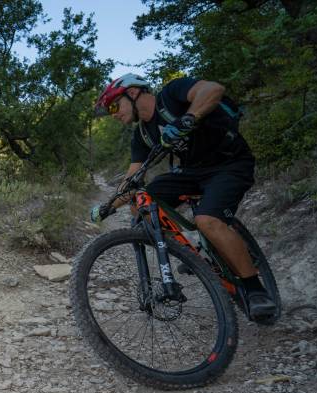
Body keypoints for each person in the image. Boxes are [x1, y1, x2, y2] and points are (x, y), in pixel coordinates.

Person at [90, 73, 277, 320]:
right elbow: (133, 177)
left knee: (207, 220)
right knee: (142, 203)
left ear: (133, 93)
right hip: (192, 172)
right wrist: (109, 206)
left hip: (229, 165)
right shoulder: (142, 134)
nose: (113, 113)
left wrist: (188, 118)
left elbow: (213, 87)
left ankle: (256, 290)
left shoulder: (172, 94)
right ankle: (189, 251)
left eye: (114, 105)